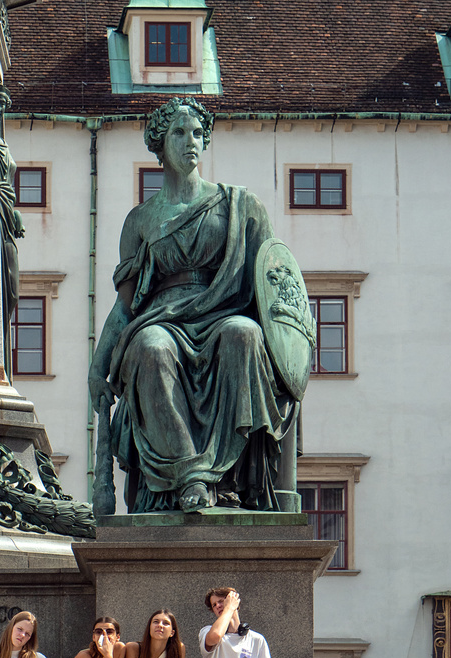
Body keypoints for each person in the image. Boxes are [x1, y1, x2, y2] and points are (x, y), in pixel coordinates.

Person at [89, 95, 310, 514]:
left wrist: (290, 355)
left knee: (244, 334)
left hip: (224, 311)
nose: (190, 141)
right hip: (160, 317)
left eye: (197, 133)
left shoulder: (240, 206)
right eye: (178, 132)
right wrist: (99, 364)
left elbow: (275, 285)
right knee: (151, 347)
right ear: (159, 143)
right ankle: (191, 474)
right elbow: (124, 307)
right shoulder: (140, 220)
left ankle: (223, 477)